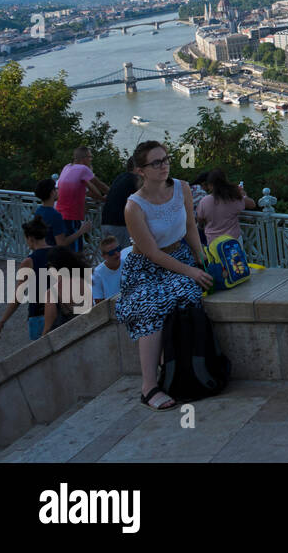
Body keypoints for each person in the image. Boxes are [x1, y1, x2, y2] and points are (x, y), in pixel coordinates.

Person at [114, 141, 214, 411]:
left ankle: (173, 365)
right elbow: (152, 254)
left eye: (165, 159)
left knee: (188, 291)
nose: (163, 165)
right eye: (155, 163)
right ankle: (149, 387)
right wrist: (191, 271)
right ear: (140, 170)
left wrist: (202, 260)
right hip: (145, 267)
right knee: (151, 304)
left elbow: (191, 227)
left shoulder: (181, 188)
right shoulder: (134, 207)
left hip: (179, 256)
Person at [0, 219, 83, 341]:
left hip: (39, 316)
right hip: (63, 311)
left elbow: (18, 297)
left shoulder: (28, 262)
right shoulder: (59, 253)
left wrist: (2, 321)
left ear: (30, 238)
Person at [56, 147, 109, 241]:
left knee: (66, 250)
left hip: (59, 213)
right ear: (83, 158)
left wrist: (100, 197)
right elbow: (100, 185)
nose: (91, 159)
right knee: (74, 250)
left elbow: (89, 189)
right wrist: (113, 194)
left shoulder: (67, 167)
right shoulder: (83, 169)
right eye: (90, 157)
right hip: (71, 215)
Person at [196, 169, 257, 247]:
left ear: (210, 185)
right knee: (238, 259)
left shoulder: (204, 201)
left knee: (215, 259)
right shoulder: (233, 198)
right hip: (233, 241)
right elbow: (252, 204)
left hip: (213, 242)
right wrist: (243, 195)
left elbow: (200, 219)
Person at [33, 178, 90, 248]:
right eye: (55, 189)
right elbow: (61, 243)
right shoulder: (55, 215)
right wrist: (81, 231)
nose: (58, 191)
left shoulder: (38, 211)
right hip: (54, 254)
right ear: (52, 193)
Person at [101, 158, 140, 250]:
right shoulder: (135, 180)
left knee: (110, 255)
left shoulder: (120, 177)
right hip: (120, 225)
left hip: (106, 222)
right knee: (123, 255)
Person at [91, 234, 128, 302]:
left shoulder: (127, 263)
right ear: (103, 256)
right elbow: (99, 304)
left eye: (118, 249)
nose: (117, 254)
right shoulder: (97, 274)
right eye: (112, 253)